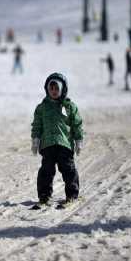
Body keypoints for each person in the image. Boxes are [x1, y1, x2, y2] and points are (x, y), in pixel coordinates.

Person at [31, 73, 83, 209]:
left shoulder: (69, 106)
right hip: (47, 144)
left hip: (64, 144)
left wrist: (78, 140)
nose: (54, 92)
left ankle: (71, 195)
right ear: (47, 89)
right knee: (46, 171)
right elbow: (37, 125)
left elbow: (77, 124)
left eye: (57, 89)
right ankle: (44, 196)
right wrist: (35, 140)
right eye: (51, 89)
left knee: (68, 169)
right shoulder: (42, 107)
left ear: (62, 89)